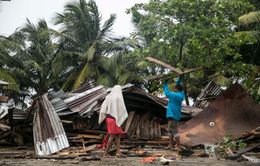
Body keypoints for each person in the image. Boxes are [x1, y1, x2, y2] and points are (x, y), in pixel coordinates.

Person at [98, 85, 128, 158]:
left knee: (118, 135)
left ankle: (118, 152)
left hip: (109, 119)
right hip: (115, 119)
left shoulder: (108, 97)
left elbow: (103, 108)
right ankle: (105, 153)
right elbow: (121, 109)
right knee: (112, 135)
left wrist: (102, 116)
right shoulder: (119, 98)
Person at [163, 78, 184, 150]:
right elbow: (179, 86)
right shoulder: (181, 94)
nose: (174, 89)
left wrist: (165, 83)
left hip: (172, 114)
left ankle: (178, 146)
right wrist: (179, 80)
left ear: (176, 89)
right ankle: (171, 145)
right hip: (175, 114)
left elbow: (166, 92)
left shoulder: (174, 95)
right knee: (170, 130)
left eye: (175, 88)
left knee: (174, 131)